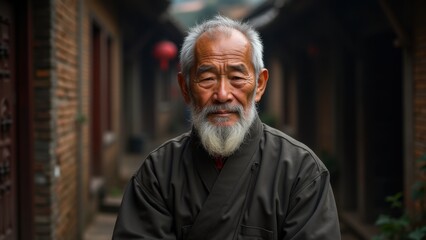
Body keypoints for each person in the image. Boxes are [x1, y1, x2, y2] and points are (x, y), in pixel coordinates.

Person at [113, 15, 341, 240]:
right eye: (208, 78)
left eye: (236, 77)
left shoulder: (302, 172)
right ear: (185, 88)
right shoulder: (158, 173)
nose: (222, 94)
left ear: (259, 85)